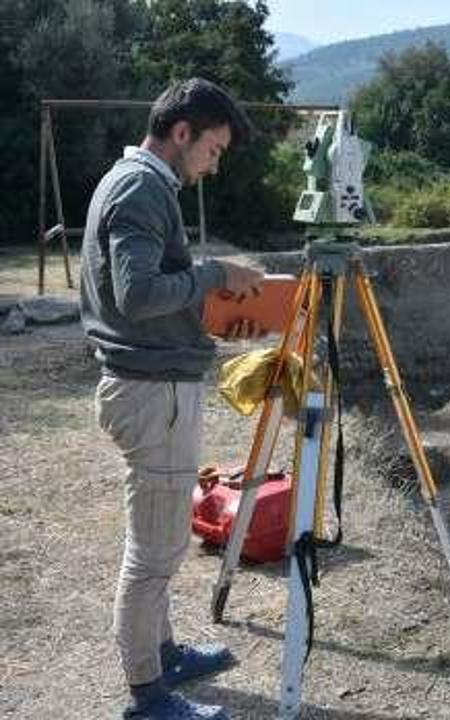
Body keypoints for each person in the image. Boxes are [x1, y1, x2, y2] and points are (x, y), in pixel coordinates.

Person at [81, 78, 264, 720]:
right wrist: (216, 276)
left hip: (158, 387)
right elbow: (137, 295)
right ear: (181, 133)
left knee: (160, 539)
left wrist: (213, 299)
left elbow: (151, 290)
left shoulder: (142, 184)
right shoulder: (139, 188)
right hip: (151, 393)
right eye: (213, 149)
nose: (214, 165)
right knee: (153, 553)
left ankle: (163, 655)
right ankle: (148, 694)